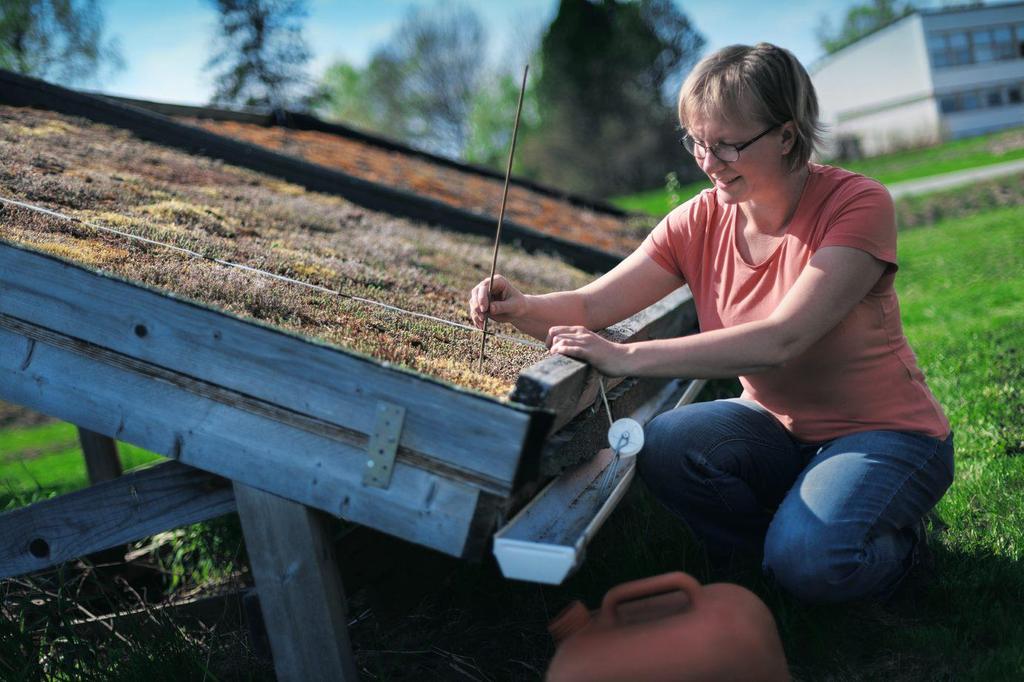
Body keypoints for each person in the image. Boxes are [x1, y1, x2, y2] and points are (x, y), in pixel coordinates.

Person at [468, 43, 953, 604]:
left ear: (787, 136)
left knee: (812, 562)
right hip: (774, 426)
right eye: (696, 141)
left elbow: (782, 339)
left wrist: (626, 358)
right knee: (668, 443)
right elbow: (591, 307)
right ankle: (773, 559)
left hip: (884, 434)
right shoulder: (698, 219)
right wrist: (520, 305)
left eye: (726, 144)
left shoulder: (856, 204)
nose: (706, 161)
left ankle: (895, 545)